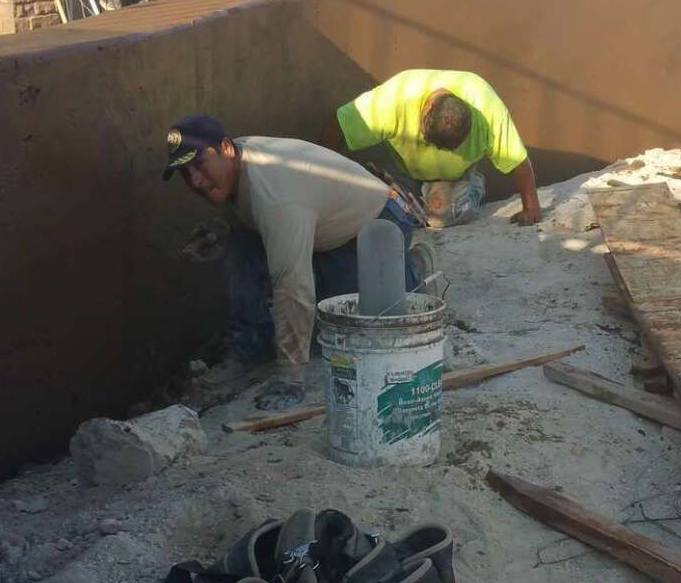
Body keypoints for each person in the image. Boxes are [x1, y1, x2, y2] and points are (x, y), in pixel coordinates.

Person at [165, 114, 417, 411]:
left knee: (348, 322)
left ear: (226, 149)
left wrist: (291, 377)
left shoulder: (276, 195)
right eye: (185, 172)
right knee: (240, 246)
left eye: (200, 164)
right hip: (324, 231)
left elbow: (293, 286)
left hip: (376, 226)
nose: (194, 180)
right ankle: (251, 348)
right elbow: (251, 213)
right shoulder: (241, 159)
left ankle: (411, 275)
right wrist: (224, 229)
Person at [320, 69, 541, 228]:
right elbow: (340, 124)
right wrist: (322, 175)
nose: (437, 150)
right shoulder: (396, 98)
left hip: (452, 176)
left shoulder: (486, 107)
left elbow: (517, 161)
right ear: (426, 110)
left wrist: (531, 208)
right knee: (382, 215)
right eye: (431, 142)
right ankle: (409, 197)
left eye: (448, 148)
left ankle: (472, 186)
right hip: (403, 169)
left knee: (440, 217)